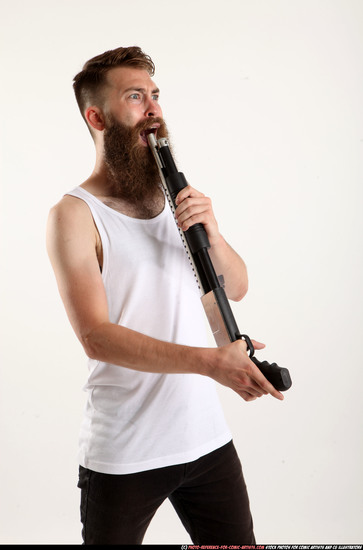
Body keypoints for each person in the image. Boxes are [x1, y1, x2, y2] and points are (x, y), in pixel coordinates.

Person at [46, 46, 284, 545]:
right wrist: (212, 363)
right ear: (97, 117)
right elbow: (98, 337)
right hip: (126, 451)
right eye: (135, 97)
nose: (153, 108)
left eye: (155, 95)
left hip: (207, 440)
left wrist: (212, 232)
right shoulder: (74, 214)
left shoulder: (177, 196)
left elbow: (234, 287)